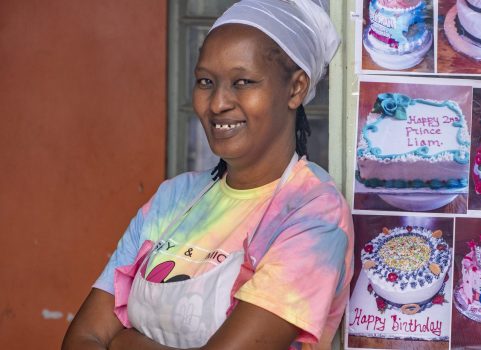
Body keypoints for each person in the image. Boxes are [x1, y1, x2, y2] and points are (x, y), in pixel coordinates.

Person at [62, 0, 353, 349]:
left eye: (243, 82)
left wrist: (127, 343)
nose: (217, 103)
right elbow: (83, 337)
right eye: (205, 82)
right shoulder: (174, 199)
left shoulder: (312, 214)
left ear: (295, 89)